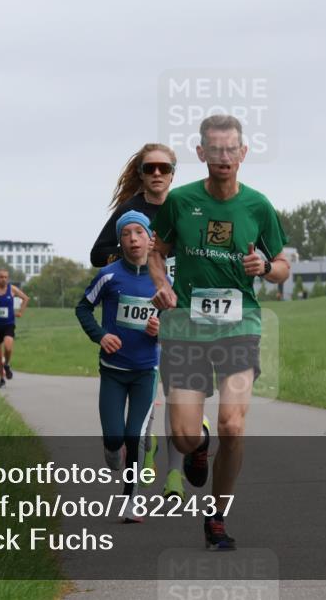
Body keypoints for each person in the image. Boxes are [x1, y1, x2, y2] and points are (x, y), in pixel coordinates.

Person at [149, 114, 290, 550]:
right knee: (184, 435)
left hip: (239, 325)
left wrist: (265, 266)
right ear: (201, 153)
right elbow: (156, 252)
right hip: (186, 329)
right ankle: (199, 445)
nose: (224, 156)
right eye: (215, 149)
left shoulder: (258, 206)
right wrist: (162, 283)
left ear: (243, 153)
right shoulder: (180, 201)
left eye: (231, 149)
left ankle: (217, 517)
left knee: (233, 424)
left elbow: (283, 267)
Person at [91, 143, 184, 499]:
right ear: (142, 174)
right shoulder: (130, 210)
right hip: (142, 309)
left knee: (179, 391)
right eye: (150, 168)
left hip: (177, 307)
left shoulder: (184, 207)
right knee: (149, 389)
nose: (157, 173)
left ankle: (174, 475)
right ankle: (144, 447)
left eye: (164, 168)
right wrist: (137, 251)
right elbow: (97, 254)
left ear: (173, 173)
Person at [77, 211, 161, 521]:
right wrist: (101, 335)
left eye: (139, 232)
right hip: (113, 371)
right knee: (115, 439)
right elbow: (83, 308)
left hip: (146, 371)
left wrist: (161, 329)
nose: (133, 239)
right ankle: (113, 450)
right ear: (120, 241)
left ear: (150, 239)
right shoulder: (109, 276)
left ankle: (130, 501)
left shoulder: (164, 280)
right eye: (126, 234)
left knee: (134, 437)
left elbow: (177, 321)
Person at [0, 269, 30, 388]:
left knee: (8, 347)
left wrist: (20, 312)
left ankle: (6, 364)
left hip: (8, 324)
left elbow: (26, 298)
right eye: (1, 277)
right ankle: (2, 379)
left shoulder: (12, 289)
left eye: (6, 277)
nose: (4, 279)